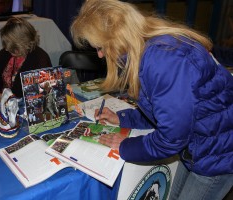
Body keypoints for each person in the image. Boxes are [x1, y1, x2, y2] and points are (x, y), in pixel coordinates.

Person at [70, 0, 233, 199]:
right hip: (199, 144)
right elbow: (163, 110)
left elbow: (171, 137)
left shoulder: (163, 60)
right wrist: (123, 119)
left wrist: (125, 146)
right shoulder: (148, 50)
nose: (101, 55)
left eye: (101, 47)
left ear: (117, 38)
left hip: (219, 151)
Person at [0, 17, 52, 106]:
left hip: (24, 104)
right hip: (2, 100)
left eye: (13, 47)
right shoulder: (6, 52)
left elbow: (41, 95)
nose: (8, 49)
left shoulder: (40, 59)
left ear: (26, 42)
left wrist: (4, 96)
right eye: (7, 46)